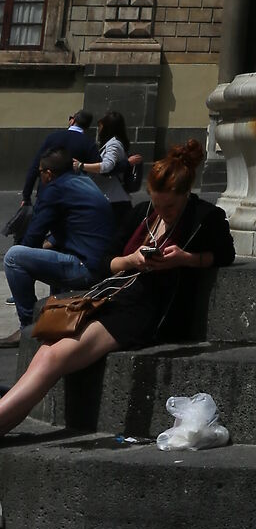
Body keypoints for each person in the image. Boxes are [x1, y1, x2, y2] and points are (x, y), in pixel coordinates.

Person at [0, 139, 234, 437]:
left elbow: (225, 254)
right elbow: (104, 262)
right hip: (110, 298)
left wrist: (185, 258)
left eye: (171, 206)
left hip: (140, 312)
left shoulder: (205, 217)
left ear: (187, 193)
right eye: (157, 204)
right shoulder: (142, 214)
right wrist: (131, 260)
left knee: (54, 358)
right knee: (46, 352)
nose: (163, 212)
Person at [4, 148, 120, 336]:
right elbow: (74, 226)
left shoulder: (55, 190)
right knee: (49, 250)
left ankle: (28, 328)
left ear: (48, 174)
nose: (39, 177)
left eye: (40, 172)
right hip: (103, 264)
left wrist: (26, 267)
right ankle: (52, 317)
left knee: (13, 257)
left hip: (86, 268)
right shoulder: (83, 181)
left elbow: (33, 236)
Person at [17, 110, 92, 210]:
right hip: (74, 194)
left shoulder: (53, 137)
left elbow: (35, 166)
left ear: (73, 121)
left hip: (47, 192)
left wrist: (26, 196)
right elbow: (99, 167)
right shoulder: (88, 143)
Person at [80, 110, 139, 196]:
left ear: (106, 127)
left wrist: (81, 166)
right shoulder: (113, 143)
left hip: (111, 196)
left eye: (100, 125)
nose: (98, 129)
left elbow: (106, 166)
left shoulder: (113, 145)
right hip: (109, 194)